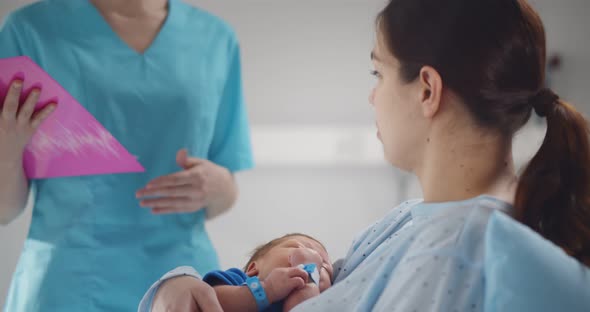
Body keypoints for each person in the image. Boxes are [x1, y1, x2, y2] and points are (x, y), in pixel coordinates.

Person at [145, 0, 590, 311]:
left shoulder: (460, 253)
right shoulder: (412, 223)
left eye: (379, 73)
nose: (372, 95)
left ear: (428, 90)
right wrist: (182, 286)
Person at [0, 0, 253, 311]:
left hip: (183, 286)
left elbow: (225, 192)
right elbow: (4, 210)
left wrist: (220, 186)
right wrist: (6, 153)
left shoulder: (216, 39)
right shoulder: (28, 32)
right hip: (68, 284)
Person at [139, 233, 333, 312]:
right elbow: (211, 300)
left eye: (323, 267)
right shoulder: (237, 280)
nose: (312, 259)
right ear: (253, 269)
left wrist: (308, 281)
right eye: (298, 247)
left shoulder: (315, 303)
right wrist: (265, 290)